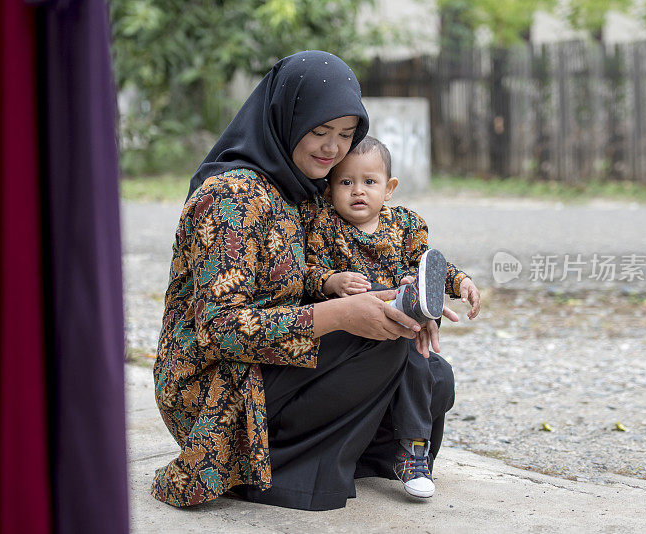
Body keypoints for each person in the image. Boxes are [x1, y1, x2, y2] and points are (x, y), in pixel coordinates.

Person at [150, 50, 449, 512]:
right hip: (218, 387)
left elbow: (324, 285)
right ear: (284, 119)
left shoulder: (302, 191)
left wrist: (404, 305)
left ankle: (326, 454)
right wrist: (343, 315)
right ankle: (257, 466)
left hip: (271, 365)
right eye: (319, 131)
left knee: (432, 373)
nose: (333, 148)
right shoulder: (230, 196)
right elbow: (220, 329)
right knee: (385, 347)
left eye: (346, 136)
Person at [304, 135, 481, 498]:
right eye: (345, 182)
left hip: (398, 319)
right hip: (352, 331)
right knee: (409, 349)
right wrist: (332, 280)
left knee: (424, 357)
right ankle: (407, 451)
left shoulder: (405, 225)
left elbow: (430, 265)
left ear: (388, 189)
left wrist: (459, 281)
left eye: (369, 182)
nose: (357, 191)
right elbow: (307, 272)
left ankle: (413, 451)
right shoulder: (325, 226)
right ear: (329, 188)